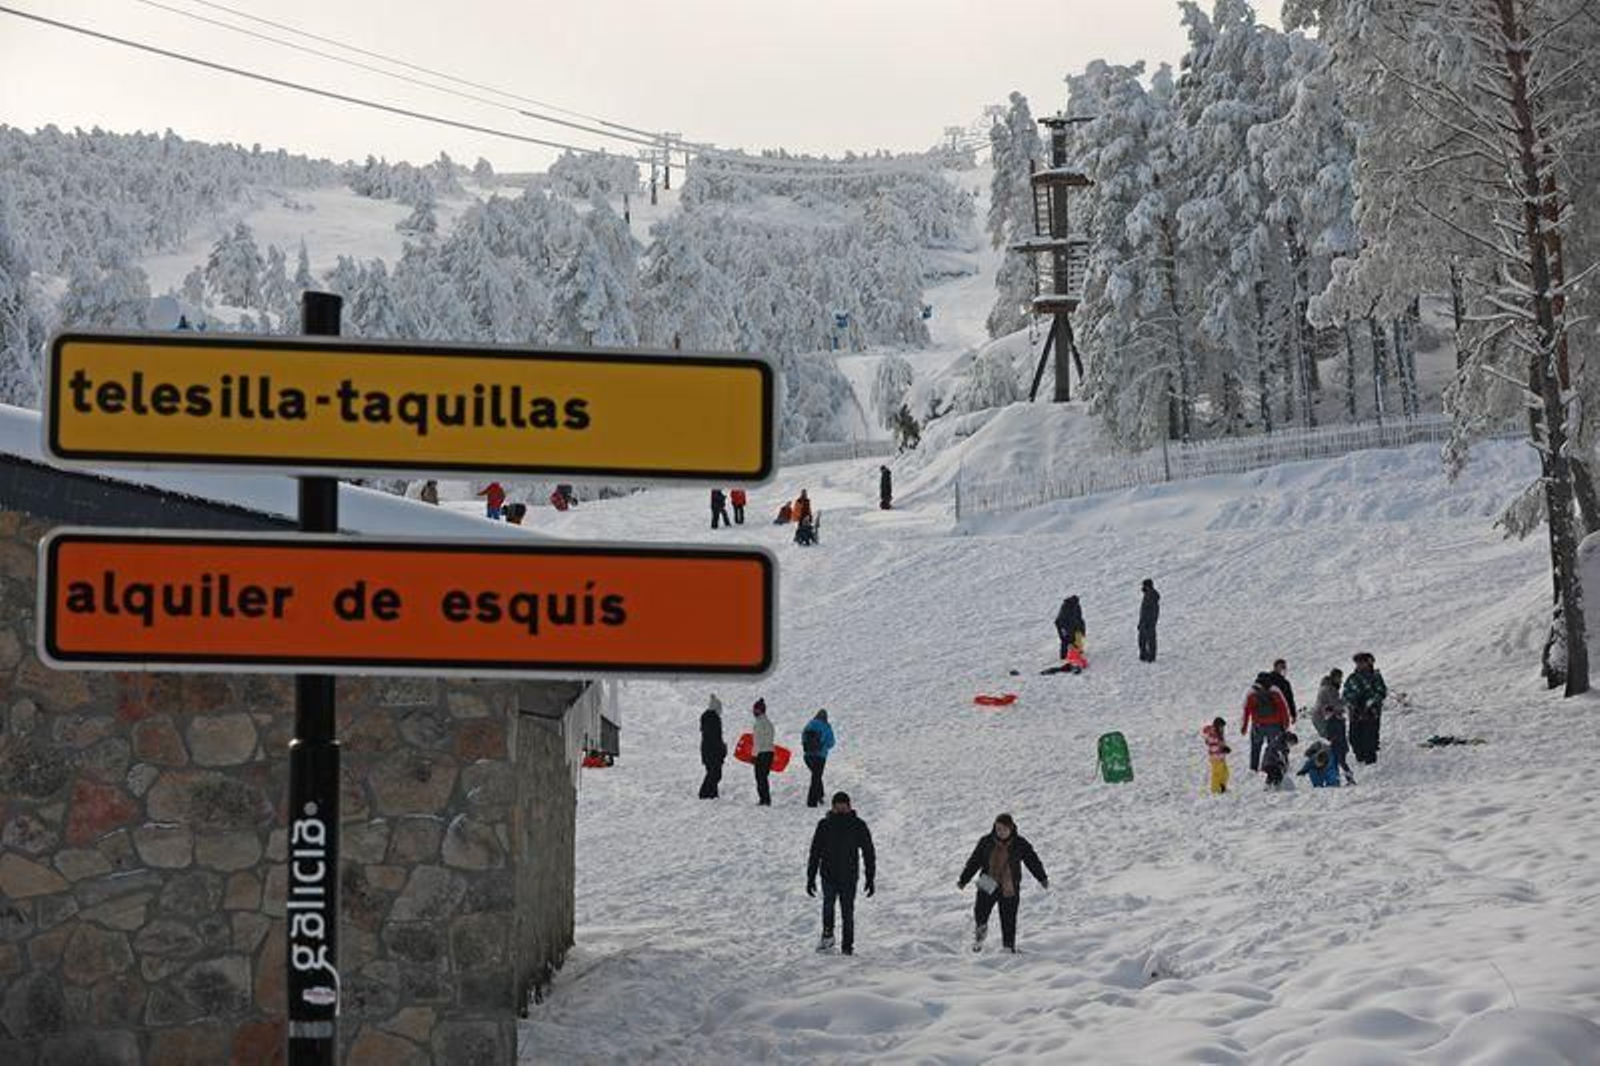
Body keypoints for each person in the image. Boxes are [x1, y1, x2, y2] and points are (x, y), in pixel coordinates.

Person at [957, 813, 1048, 954]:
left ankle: (1008, 946)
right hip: (988, 881)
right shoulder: (986, 841)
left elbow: (1032, 861)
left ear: (1011, 828)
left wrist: (1042, 878)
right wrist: (964, 879)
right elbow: (974, 861)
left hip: (1009, 885)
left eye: (1004, 829)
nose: (1001, 832)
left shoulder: (1020, 843)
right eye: (998, 828)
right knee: (980, 911)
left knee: (1009, 918)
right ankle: (980, 935)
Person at [806, 791, 875, 955]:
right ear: (832, 808)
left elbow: (868, 852)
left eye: (844, 808)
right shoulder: (824, 825)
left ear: (850, 807)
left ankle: (847, 947)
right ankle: (827, 939)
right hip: (828, 875)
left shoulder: (858, 825)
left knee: (847, 912)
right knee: (828, 907)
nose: (841, 811)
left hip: (849, 877)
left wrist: (870, 877)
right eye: (837, 808)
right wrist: (810, 877)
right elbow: (815, 852)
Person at [1241, 672, 1293, 773]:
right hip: (1274, 725)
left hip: (1258, 726)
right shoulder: (1275, 691)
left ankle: (1253, 769)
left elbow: (1246, 710)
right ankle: (1278, 766)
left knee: (1255, 748)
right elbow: (1283, 708)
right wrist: (1286, 724)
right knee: (1276, 747)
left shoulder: (1251, 693)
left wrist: (1244, 727)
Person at [1343, 652, 1388, 765]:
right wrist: (1352, 700)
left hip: (1370, 713)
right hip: (1355, 713)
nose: (1359, 665)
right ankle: (1360, 757)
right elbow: (1345, 693)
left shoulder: (1375, 677)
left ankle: (1370, 761)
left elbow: (1381, 692)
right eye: (1357, 663)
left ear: (1368, 663)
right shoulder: (1352, 678)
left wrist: (1370, 702)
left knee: (1369, 738)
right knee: (1354, 738)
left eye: (1362, 662)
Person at [801, 710, 836, 808]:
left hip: (808, 756)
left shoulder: (809, 724)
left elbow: (803, 738)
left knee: (816, 776)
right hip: (820, 756)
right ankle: (812, 802)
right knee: (816, 777)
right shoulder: (826, 726)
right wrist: (823, 746)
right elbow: (831, 742)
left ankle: (820, 795)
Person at [699, 694, 727, 799]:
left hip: (709, 751)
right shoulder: (713, 719)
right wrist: (721, 749)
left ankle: (712, 794)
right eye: (719, 707)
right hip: (712, 752)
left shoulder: (709, 718)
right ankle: (704, 793)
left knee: (713, 772)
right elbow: (714, 738)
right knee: (715, 773)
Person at [751, 699, 775, 806]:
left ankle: (764, 799)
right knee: (764, 777)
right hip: (770, 752)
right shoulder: (769, 723)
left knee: (760, 777)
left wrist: (754, 755)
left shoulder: (759, 723)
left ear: (759, 710)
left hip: (762, 753)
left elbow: (757, 741)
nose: (753, 712)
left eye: (755, 709)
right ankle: (766, 799)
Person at [1310, 669, 1344, 740]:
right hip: (1322, 717)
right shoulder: (1330, 689)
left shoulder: (1326, 686)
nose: (1341, 681)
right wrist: (1346, 701)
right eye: (1339, 678)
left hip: (1319, 716)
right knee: (1333, 739)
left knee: (1330, 738)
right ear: (1334, 677)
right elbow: (1336, 704)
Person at [1201, 717, 1232, 794]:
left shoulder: (1219, 734)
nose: (1222, 729)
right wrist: (1223, 749)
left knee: (1225, 772)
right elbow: (1213, 746)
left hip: (1221, 757)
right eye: (1221, 727)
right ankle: (1215, 789)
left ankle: (1222, 786)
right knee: (1217, 774)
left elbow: (1220, 744)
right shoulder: (1213, 734)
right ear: (1217, 726)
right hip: (1215, 758)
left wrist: (1225, 748)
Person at [1054, 595, 1086, 660]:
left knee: (1077, 636)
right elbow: (1065, 621)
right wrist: (1070, 633)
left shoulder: (1076, 606)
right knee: (1065, 640)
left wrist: (1082, 630)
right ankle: (1063, 656)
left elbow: (1079, 618)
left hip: (1071, 624)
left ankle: (1077, 652)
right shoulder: (1066, 607)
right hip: (1062, 625)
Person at [1138, 579, 1160, 663]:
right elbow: (1143, 611)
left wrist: (1150, 622)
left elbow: (1154, 612)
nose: (1142, 587)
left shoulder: (1152, 596)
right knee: (1142, 639)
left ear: (1148, 586)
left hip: (1149, 623)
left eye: (1144, 586)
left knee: (1151, 640)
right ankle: (1144, 655)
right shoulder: (1147, 595)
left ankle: (1151, 657)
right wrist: (1140, 622)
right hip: (1144, 622)